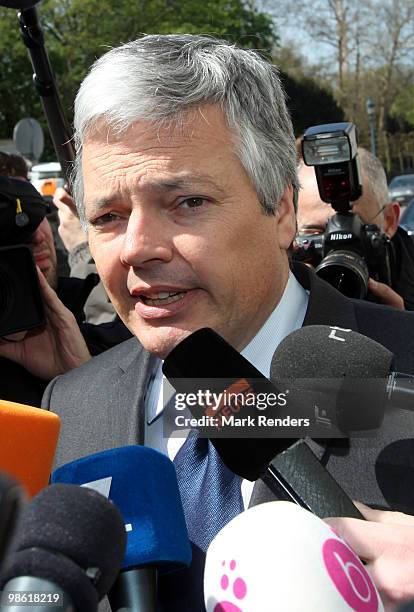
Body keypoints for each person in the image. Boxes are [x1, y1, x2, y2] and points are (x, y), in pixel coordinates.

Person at [4, 35, 413, 609]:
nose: (137, 248)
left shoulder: (402, 373)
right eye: (108, 216)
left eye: (187, 202)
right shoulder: (70, 407)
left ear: (281, 209)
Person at [0, 158, 131, 406]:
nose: (36, 235)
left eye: (37, 212)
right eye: (5, 226)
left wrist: (80, 374)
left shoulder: (119, 343)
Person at [297, 149, 414, 310]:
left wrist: (403, 327)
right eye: (315, 232)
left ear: (390, 220)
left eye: (352, 232)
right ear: (289, 228)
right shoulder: (281, 289)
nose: (337, 247)